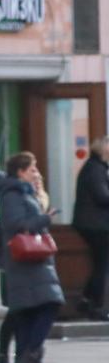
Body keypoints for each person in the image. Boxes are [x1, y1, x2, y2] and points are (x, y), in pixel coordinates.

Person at [0, 152, 63, 363]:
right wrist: (45, 219)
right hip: (25, 259)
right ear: (20, 172)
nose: (36, 173)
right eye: (31, 169)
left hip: (33, 260)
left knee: (27, 311)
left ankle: (25, 361)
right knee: (47, 305)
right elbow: (17, 225)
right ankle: (28, 356)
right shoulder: (13, 194)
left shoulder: (23, 192)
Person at [75, 136, 109, 320]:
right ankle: (95, 305)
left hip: (93, 223)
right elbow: (102, 196)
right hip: (96, 224)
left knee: (100, 263)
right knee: (102, 265)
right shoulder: (95, 169)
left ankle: (87, 300)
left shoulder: (96, 167)